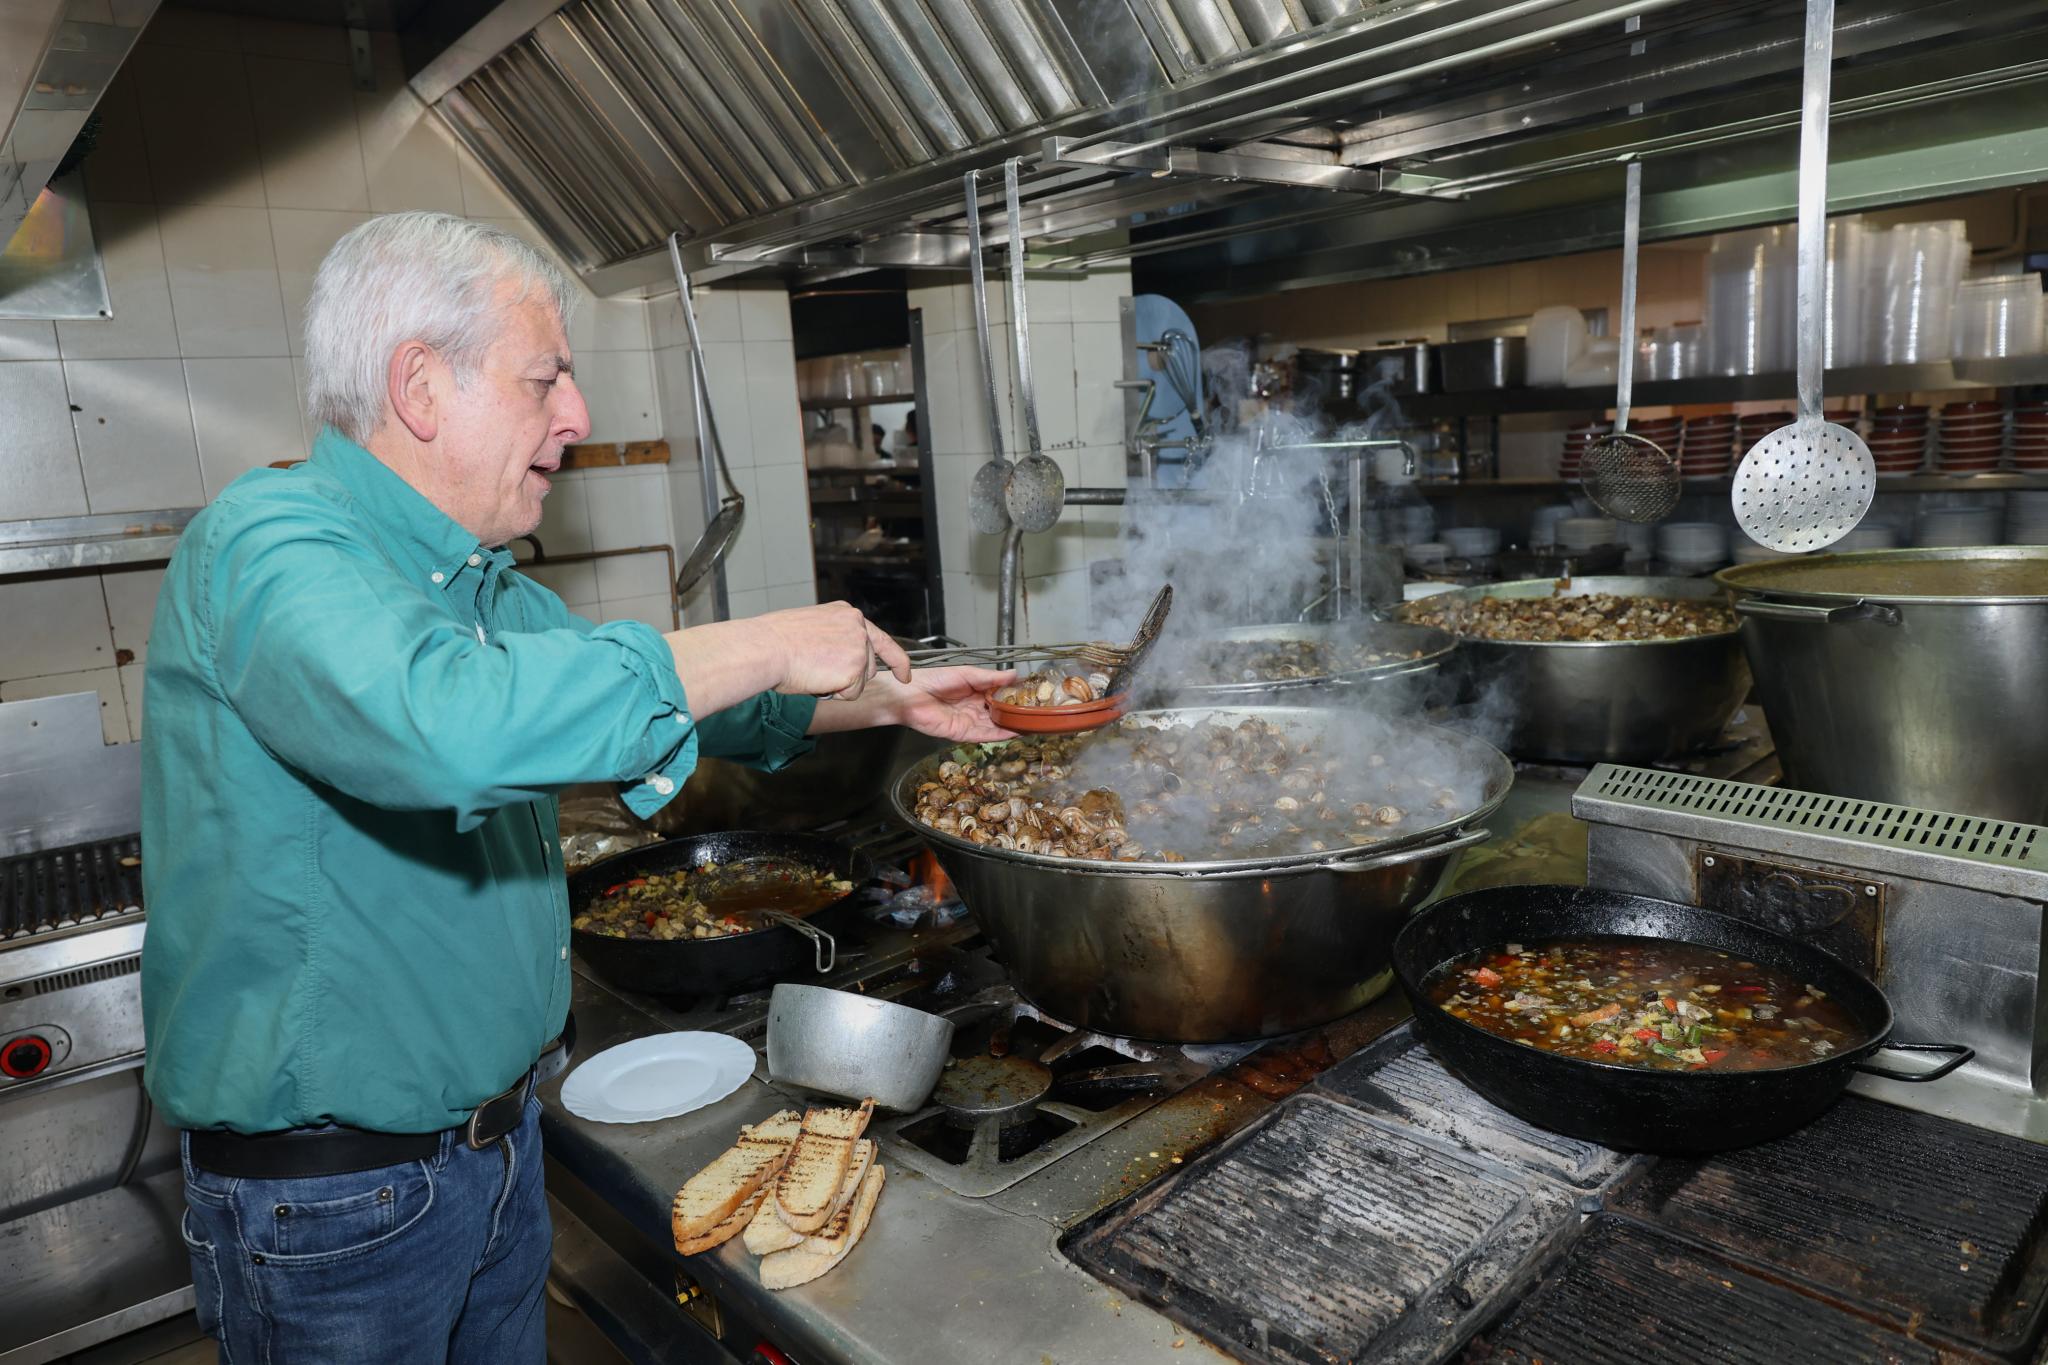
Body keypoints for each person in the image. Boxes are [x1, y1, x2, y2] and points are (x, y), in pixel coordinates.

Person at [140, 212, 1011, 1364]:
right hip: (333, 1206)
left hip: (494, 1156)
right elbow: (442, 727)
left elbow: (658, 702)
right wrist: (760, 640)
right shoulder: (270, 547)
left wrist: (892, 703)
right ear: (421, 387)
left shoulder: (476, 584)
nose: (577, 417)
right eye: (544, 378)